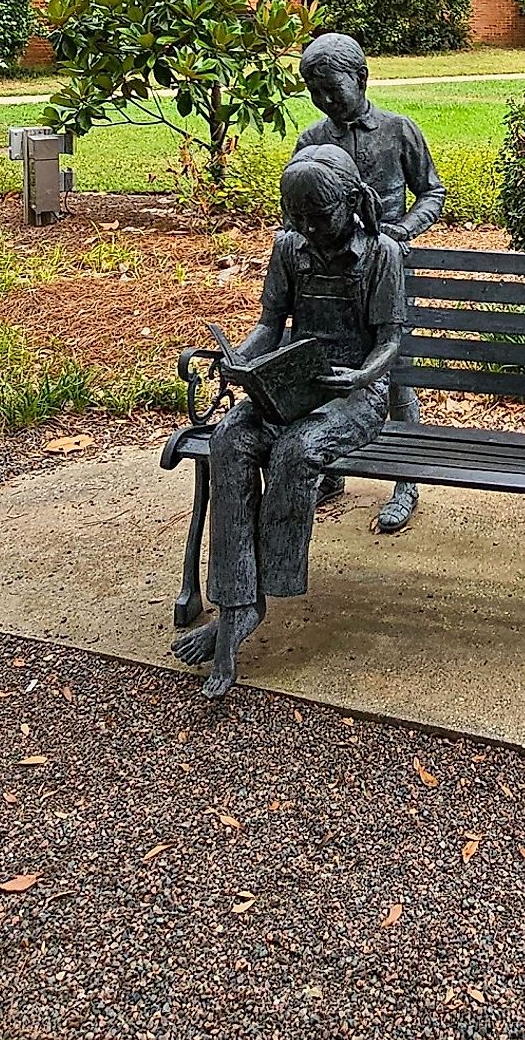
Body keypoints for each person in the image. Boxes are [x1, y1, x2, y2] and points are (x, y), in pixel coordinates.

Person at [171, 145, 405, 697]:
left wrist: (360, 377)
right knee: (230, 439)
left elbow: (391, 340)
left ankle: (263, 598)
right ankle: (237, 603)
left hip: (355, 396)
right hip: (291, 387)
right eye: (295, 217)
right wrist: (243, 363)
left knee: (296, 452)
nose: (306, 228)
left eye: (317, 217)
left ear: (350, 202)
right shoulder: (289, 249)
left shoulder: (381, 254)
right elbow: (270, 324)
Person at [294, 32, 444, 534]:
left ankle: (405, 479)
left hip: (388, 265)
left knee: (394, 369)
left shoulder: (399, 130)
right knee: (329, 363)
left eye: (333, 89)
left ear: (361, 78)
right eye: (315, 93)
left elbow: (432, 193)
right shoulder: (312, 140)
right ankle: (330, 467)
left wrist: (401, 232)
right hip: (331, 274)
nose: (325, 101)